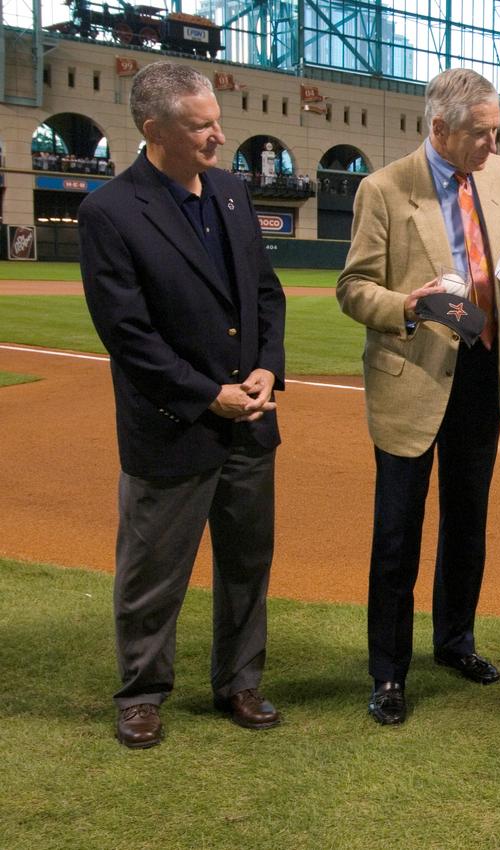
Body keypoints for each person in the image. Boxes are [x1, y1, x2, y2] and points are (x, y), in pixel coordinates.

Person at [78, 61, 286, 749]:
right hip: (173, 429)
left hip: (248, 423)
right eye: (201, 127)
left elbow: (265, 294)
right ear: (154, 130)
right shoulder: (109, 212)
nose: (218, 138)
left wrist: (264, 369)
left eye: (215, 123)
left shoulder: (229, 191)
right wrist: (208, 395)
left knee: (247, 566)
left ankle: (239, 681)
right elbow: (127, 336)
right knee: (152, 572)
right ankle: (141, 692)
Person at [337, 68, 500, 726]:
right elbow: (353, 288)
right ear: (438, 129)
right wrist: (408, 307)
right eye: (480, 133)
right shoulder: (384, 190)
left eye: (497, 131)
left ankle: (455, 642)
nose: (492, 146)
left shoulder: (499, 176)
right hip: (413, 375)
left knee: (467, 525)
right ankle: (388, 672)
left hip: (481, 371)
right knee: (397, 535)